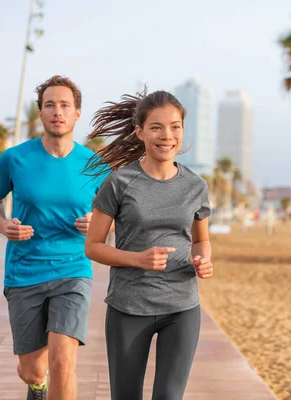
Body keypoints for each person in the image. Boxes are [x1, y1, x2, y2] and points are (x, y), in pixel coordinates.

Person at [0, 75, 108, 400]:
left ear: (77, 113)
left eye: (65, 105)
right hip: (24, 272)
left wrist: (96, 224)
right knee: (34, 369)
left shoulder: (94, 165)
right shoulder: (15, 158)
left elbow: (115, 214)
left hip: (73, 270)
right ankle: (37, 387)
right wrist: (3, 225)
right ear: (40, 113)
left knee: (63, 360)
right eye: (50, 105)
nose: (57, 111)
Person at [83, 89, 213, 400]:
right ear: (140, 131)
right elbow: (93, 246)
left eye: (175, 126)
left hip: (182, 307)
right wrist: (138, 259)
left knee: (169, 396)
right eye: (156, 127)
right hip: (129, 307)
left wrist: (203, 260)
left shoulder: (196, 185)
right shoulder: (119, 182)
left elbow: (201, 239)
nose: (167, 135)